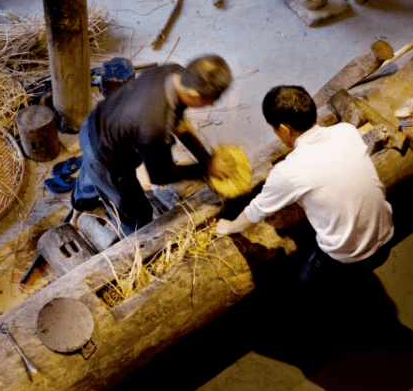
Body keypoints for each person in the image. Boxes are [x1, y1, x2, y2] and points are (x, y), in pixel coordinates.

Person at [215, 85, 394, 286]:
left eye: (274, 129)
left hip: (348, 260)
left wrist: (228, 226)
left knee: (303, 280)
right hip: (387, 240)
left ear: (284, 129)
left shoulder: (288, 171)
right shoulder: (346, 131)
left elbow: (253, 215)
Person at [72, 54, 233, 235]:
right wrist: (205, 170)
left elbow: (180, 124)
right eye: (210, 101)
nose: (212, 104)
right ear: (194, 93)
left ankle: (81, 201)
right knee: (137, 214)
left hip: (97, 121)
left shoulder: (173, 73)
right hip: (105, 154)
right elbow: (160, 175)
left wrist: (206, 158)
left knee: (92, 177)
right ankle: (134, 243)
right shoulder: (154, 124)